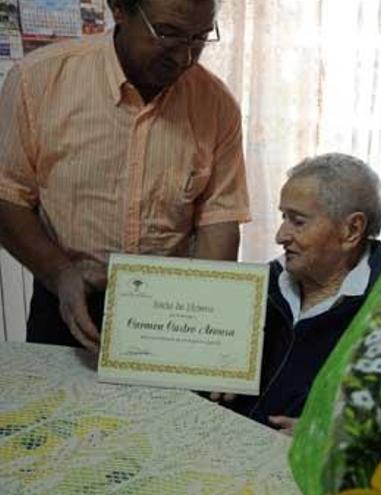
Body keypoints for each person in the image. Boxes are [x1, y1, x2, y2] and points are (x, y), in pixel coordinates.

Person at [0, 0, 249, 352]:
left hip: (169, 313)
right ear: (119, 9)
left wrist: (213, 334)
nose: (184, 58)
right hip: (67, 295)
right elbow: (7, 196)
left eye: (199, 38)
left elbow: (219, 222)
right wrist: (59, 273)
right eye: (167, 34)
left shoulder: (216, 105)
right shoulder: (38, 81)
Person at [225, 153, 381, 434]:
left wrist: (328, 436)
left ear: (351, 230)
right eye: (284, 217)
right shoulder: (260, 285)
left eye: (298, 221)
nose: (280, 236)